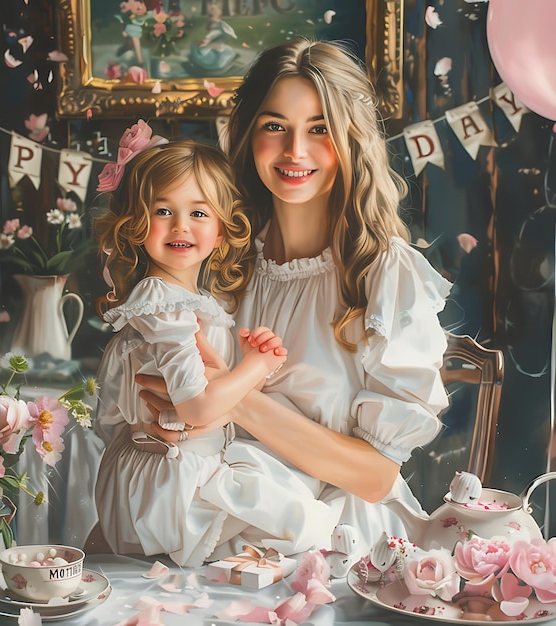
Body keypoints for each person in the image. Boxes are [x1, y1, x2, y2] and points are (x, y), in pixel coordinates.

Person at [138, 37, 453, 560]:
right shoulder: (216, 257)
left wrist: (231, 397)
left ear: (351, 139)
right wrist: (175, 422)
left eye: (320, 129)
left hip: (339, 540)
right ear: (247, 132)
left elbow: (374, 476)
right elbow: (187, 410)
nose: (295, 152)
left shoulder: (382, 273)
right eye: (275, 126)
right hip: (214, 520)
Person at [88, 132, 342, 568]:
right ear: (136, 223)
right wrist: (256, 367)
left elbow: (210, 387)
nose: (181, 225)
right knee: (303, 520)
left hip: (184, 463)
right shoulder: (161, 303)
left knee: (302, 496)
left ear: (221, 230)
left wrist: (247, 370)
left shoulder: (193, 302)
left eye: (198, 212)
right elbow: (197, 407)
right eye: (163, 211)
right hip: (168, 486)